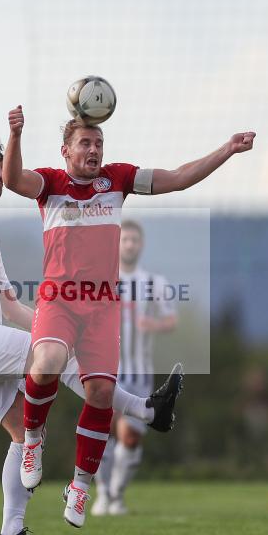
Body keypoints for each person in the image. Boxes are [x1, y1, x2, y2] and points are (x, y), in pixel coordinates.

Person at [3, 105, 255, 527]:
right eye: (85, 143)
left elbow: (178, 178)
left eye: (99, 143)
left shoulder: (117, 179)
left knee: (101, 392)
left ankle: (80, 487)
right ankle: (32, 441)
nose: (94, 150)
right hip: (59, 299)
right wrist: (15, 135)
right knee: (46, 363)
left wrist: (226, 150)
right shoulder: (51, 183)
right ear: (66, 150)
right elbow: (13, 180)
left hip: (102, 305)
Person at [0, 141, 183, 535]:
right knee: (51, 357)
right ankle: (145, 409)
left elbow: (11, 307)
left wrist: (62, 330)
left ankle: (11, 533)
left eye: (0, 165)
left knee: (25, 431)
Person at [91, 220, 178, 516]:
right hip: (106, 367)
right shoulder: (102, 280)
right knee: (103, 430)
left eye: (134, 240)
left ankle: (117, 496)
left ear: (141, 245)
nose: (129, 245)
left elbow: (171, 320)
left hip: (138, 371)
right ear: (116, 244)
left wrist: (153, 324)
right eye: (124, 239)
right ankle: (104, 494)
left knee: (130, 436)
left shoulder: (153, 283)